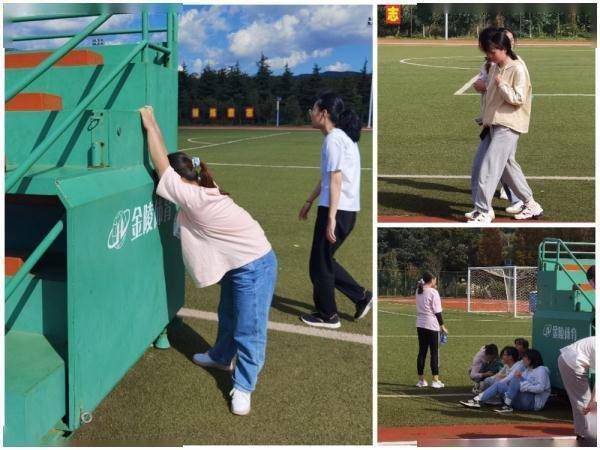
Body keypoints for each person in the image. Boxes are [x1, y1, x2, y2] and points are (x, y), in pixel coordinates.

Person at [139, 105, 277, 416]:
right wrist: (156, 126)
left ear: (178, 179)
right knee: (227, 314)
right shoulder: (202, 187)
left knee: (249, 329)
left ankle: (243, 385)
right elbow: (167, 167)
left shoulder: (195, 199)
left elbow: (161, 165)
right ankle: (220, 355)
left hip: (254, 266)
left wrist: (150, 124)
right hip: (239, 263)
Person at [298, 91, 372, 329]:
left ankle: (328, 315)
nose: (311, 113)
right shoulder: (339, 138)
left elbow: (337, 180)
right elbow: (328, 178)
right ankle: (361, 297)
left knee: (319, 264)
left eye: (313, 108)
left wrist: (330, 217)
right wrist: (310, 201)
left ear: (324, 113)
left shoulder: (334, 139)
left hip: (337, 210)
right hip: (342, 210)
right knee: (324, 260)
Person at [467, 28, 544, 223]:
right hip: (493, 124)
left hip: (509, 125)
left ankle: (484, 211)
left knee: (489, 167)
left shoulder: (517, 67)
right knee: (507, 168)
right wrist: (485, 118)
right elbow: (491, 97)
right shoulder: (495, 66)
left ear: (503, 48)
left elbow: (518, 98)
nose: (489, 56)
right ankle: (531, 204)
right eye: (487, 52)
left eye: (492, 52)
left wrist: (502, 85)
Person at [460, 349, 550, 413]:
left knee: (516, 377)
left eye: (524, 358)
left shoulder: (541, 370)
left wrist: (523, 386)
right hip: (520, 400)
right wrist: (516, 386)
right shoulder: (526, 370)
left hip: (533, 403)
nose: (523, 360)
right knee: (500, 385)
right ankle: (476, 400)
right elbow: (515, 383)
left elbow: (540, 388)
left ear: (531, 359)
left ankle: (507, 406)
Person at [558, 336, 596, 441]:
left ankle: (585, 433)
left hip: (570, 359)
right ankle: (588, 435)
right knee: (585, 401)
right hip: (571, 362)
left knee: (585, 401)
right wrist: (593, 400)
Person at [415, 272, 447, 389]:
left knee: (422, 352)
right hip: (431, 324)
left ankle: (421, 380)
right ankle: (435, 380)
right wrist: (442, 326)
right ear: (432, 280)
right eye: (435, 279)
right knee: (434, 353)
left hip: (420, 324)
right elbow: (437, 311)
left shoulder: (418, 291)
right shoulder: (433, 292)